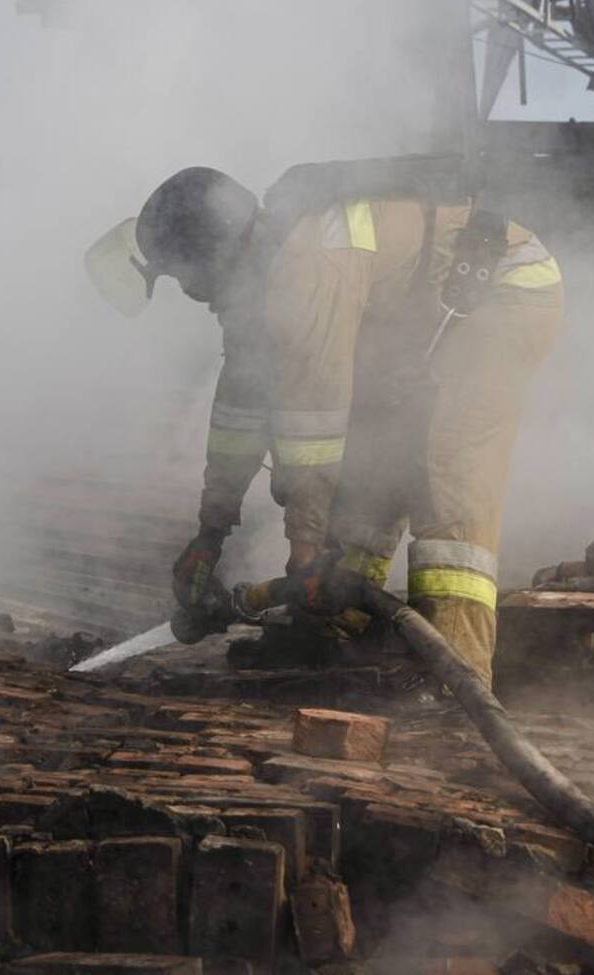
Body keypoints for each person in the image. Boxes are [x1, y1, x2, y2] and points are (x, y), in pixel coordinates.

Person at [89, 159, 563, 684]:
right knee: (373, 456)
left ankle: (456, 671)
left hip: (505, 296)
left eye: (184, 277)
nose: (190, 294)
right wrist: (210, 530)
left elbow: (312, 425)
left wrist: (305, 553)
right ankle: (338, 624)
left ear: (215, 254)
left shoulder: (307, 264)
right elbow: (238, 417)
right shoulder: (260, 291)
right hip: (433, 323)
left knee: (443, 473)